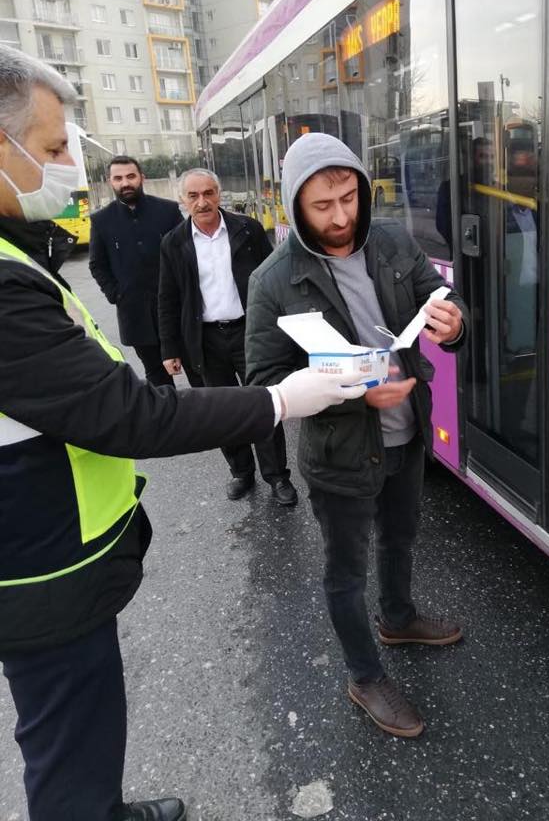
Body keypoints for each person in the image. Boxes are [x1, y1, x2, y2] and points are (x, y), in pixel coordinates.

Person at [0, 45, 366, 821]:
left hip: (44, 557)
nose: (72, 166)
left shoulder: (18, 253)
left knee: (84, 722)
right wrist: (278, 401)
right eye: (54, 148)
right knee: (67, 732)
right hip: (33, 570)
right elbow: (130, 413)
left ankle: (104, 809)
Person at [245, 132, 469, 738]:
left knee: (401, 537)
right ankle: (365, 676)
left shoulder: (392, 240)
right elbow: (264, 381)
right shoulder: (273, 280)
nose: (342, 216)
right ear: (294, 203)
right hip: (340, 452)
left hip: (408, 432)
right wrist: (355, 390)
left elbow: (438, 301)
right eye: (323, 205)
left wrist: (452, 325)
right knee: (346, 570)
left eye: (349, 197)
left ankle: (398, 617)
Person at [158, 168, 298, 506]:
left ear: (219, 194)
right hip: (204, 340)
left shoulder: (247, 229)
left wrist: (283, 329)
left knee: (264, 405)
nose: (202, 202)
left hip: (250, 333)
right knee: (220, 413)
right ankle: (241, 473)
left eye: (209, 193)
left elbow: (274, 279)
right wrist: (170, 348)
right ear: (183, 200)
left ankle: (277, 476)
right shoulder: (173, 242)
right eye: (193, 196)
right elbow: (167, 298)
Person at [89, 156, 201, 388]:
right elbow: (97, 264)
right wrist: (117, 294)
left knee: (199, 372)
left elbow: (189, 251)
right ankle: (170, 424)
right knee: (158, 381)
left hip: (179, 310)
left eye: (130, 176)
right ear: (110, 182)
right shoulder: (101, 220)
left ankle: (210, 421)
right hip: (137, 316)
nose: (125, 183)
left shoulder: (168, 210)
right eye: (118, 178)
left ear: (142, 178)